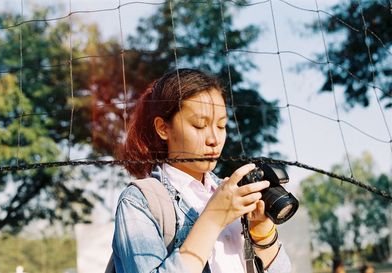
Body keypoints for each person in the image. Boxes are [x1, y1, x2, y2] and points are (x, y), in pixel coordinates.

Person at [112, 68, 291, 273]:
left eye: (222, 126)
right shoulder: (139, 201)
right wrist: (214, 218)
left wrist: (262, 234)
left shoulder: (230, 192)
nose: (214, 139)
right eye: (199, 125)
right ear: (163, 128)